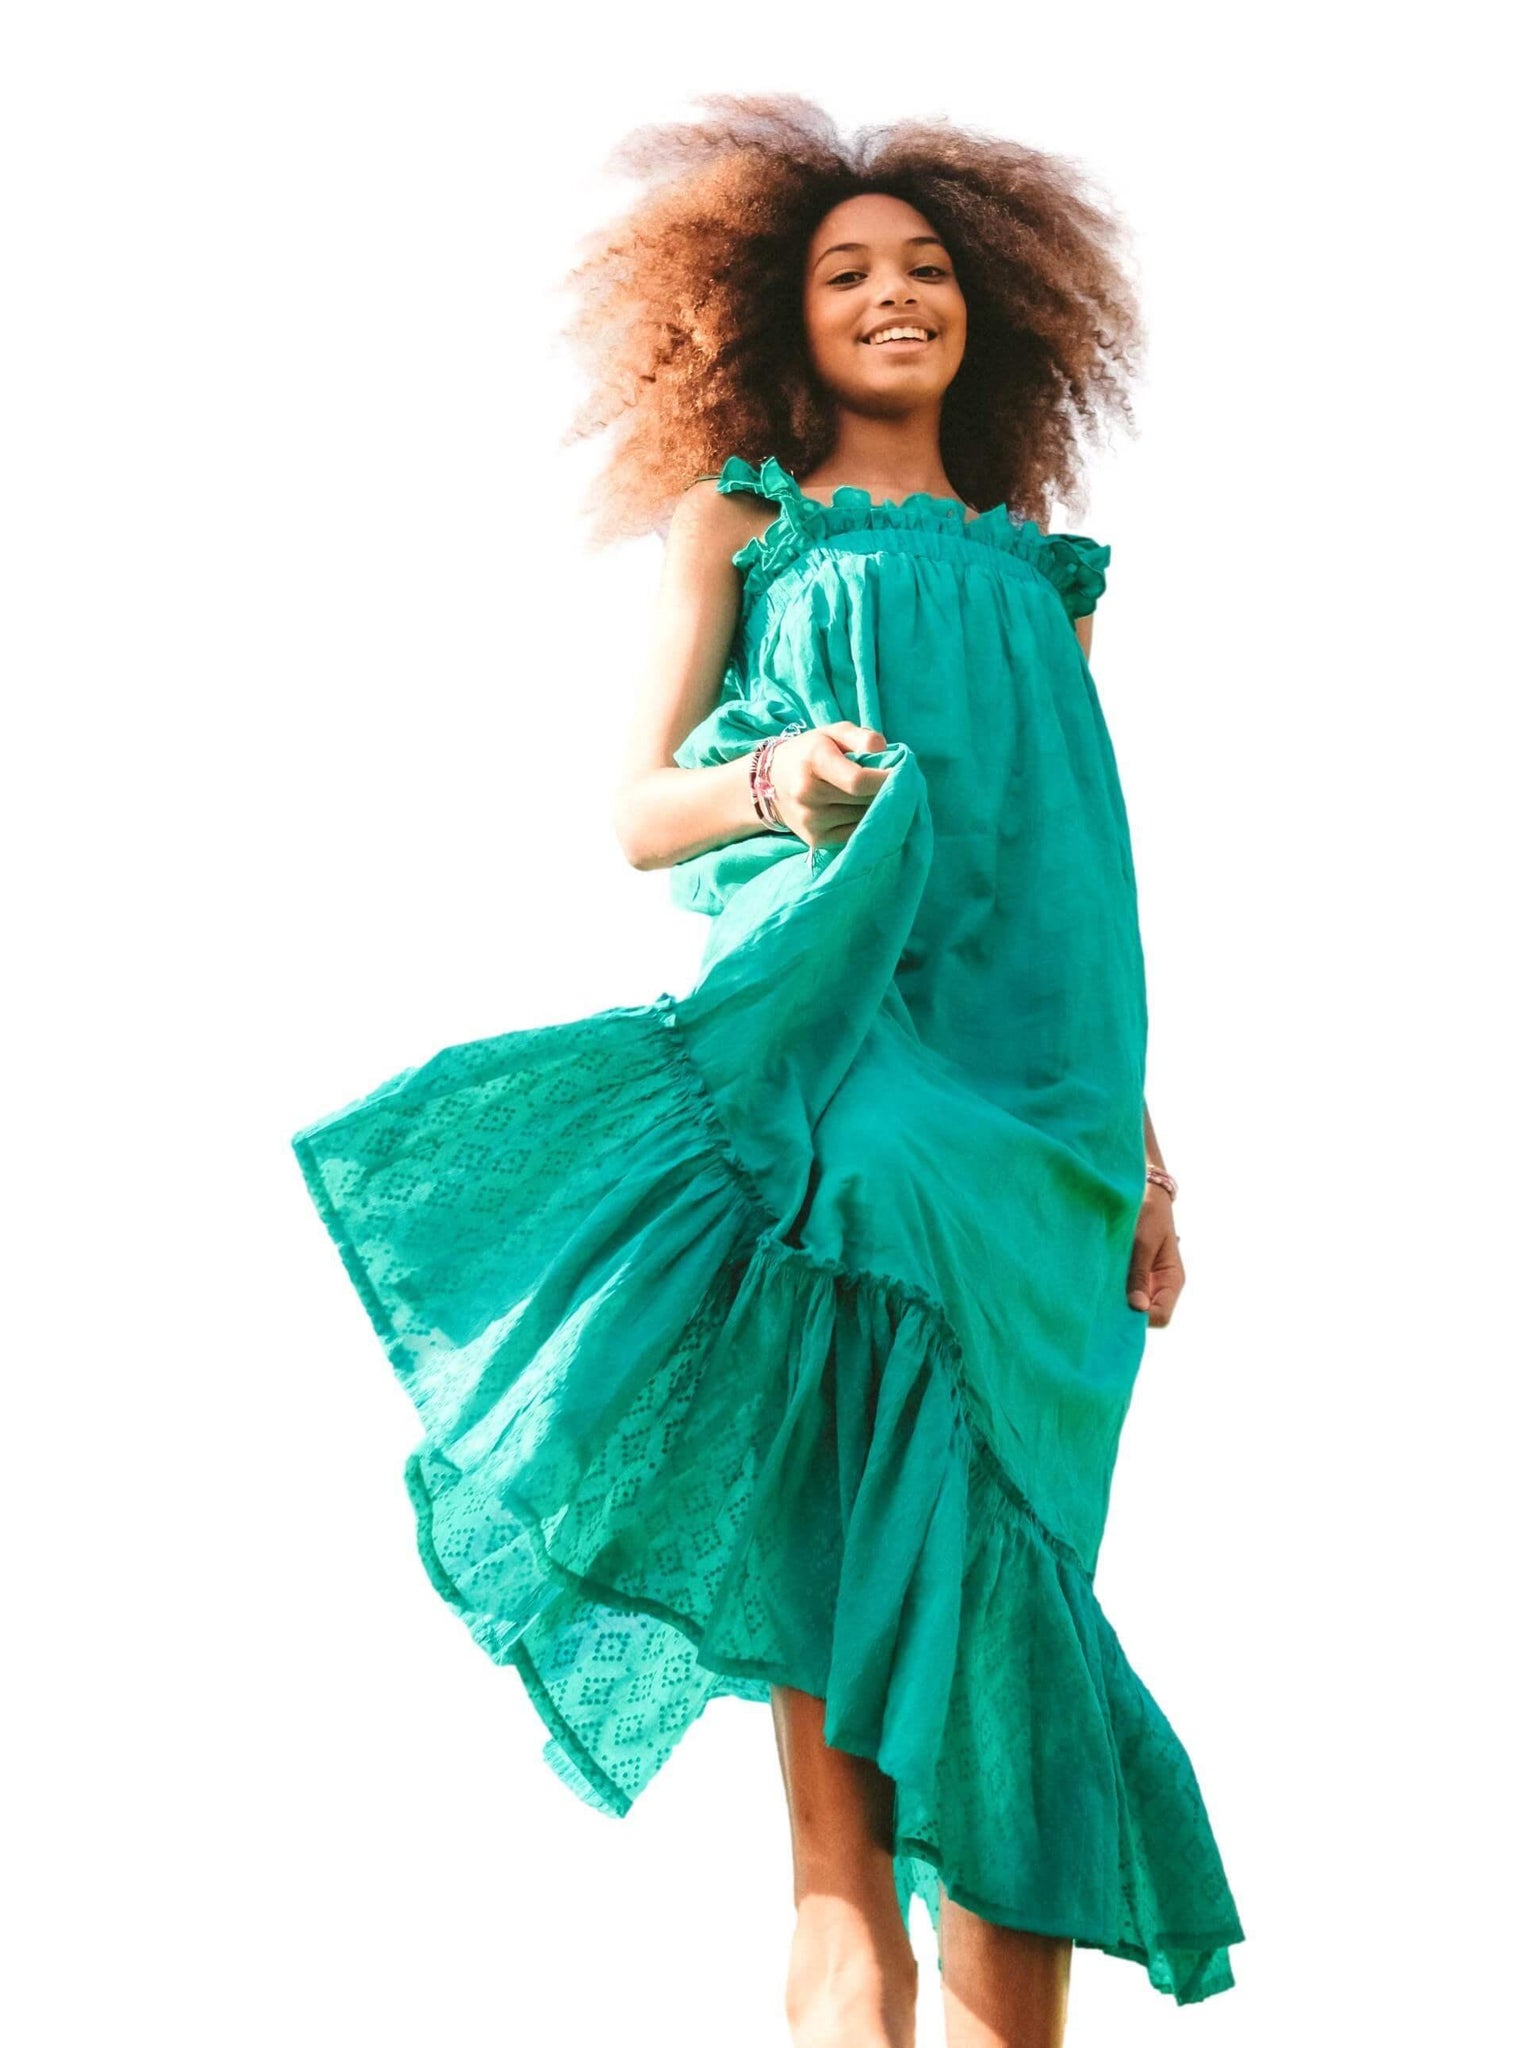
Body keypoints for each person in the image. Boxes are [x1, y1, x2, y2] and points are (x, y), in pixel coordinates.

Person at [291, 94, 1245, 2048]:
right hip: (850, 1074)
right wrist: (776, 779)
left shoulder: (1044, 581)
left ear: (989, 311)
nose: (896, 295)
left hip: (1049, 1138)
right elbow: (637, 808)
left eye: (927, 268)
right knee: (844, 1807)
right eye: (847, 273)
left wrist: (1145, 1156)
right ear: (774, 317)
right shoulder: (744, 527)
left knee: (1012, 1691)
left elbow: (1080, 888)